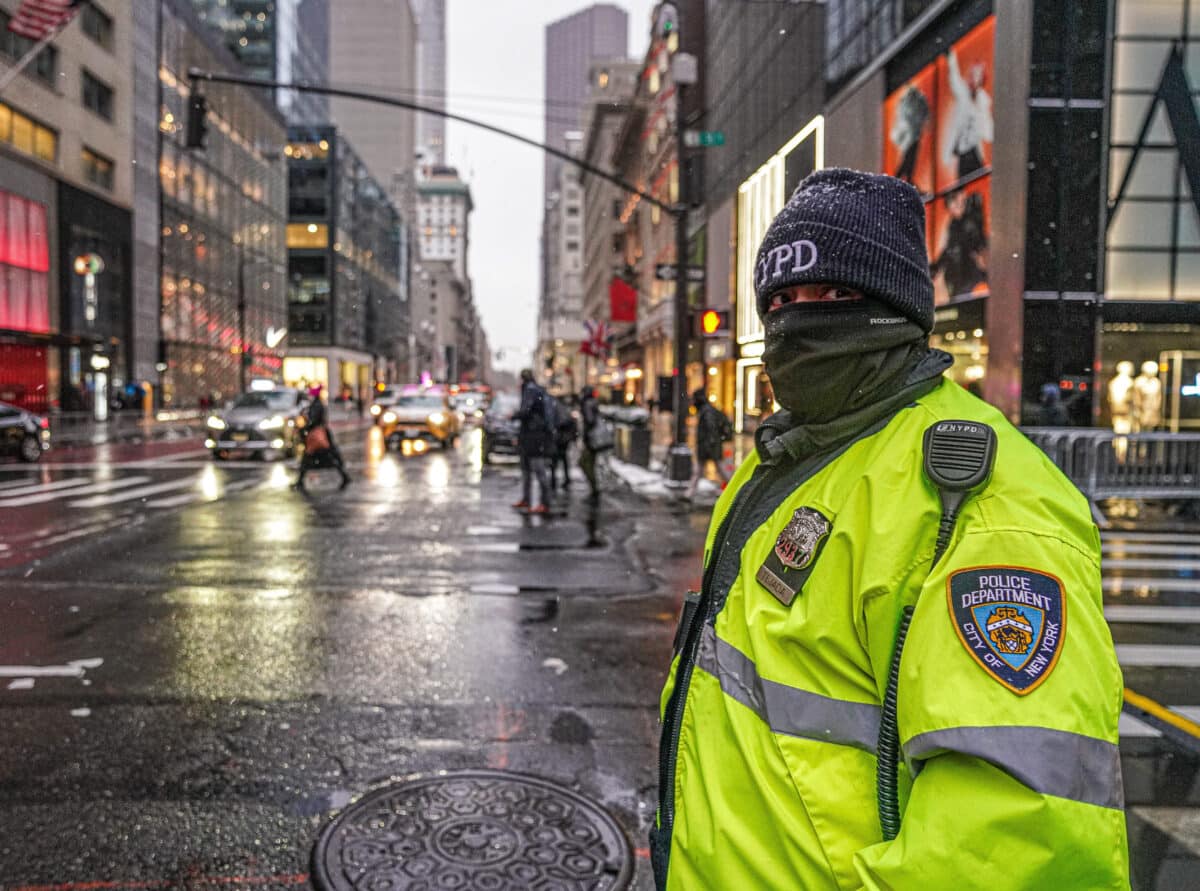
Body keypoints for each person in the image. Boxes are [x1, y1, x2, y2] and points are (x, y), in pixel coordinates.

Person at [651, 168, 1127, 890]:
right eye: (781, 299)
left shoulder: (978, 498)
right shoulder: (776, 467)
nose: (800, 317)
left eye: (834, 294)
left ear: (895, 303)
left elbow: (1019, 838)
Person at [513, 369, 554, 515]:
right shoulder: (535, 390)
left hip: (534, 438)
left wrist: (513, 415)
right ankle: (528, 500)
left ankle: (544, 503)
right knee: (529, 471)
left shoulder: (531, 390)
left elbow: (525, 411)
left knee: (536, 470)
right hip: (532, 437)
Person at [295, 384, 351, 491]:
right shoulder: (317, 404)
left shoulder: (316, 405)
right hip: (320, 434)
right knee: (326, 457)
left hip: (317, 435)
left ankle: (300, 481)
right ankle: (300, 481)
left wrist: (305, 427)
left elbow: (313, 420)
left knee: (311, 457)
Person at [684, 388, 732, 502]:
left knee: (717, 468)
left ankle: (733, 489)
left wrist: (709, 444)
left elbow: (711, 430)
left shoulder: (706, 412)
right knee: (705, 469)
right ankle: (690, 493)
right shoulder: (707, 410)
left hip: (709, 446)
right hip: (710, 446)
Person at [578, 385, 602, 502]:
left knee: (584, 463)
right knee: (589, 464)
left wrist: (587, 436)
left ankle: (595, 490)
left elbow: (590, 421)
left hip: (591, 440)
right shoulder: (593, 403)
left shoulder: (587, 404)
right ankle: (594, 489)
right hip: (594, 439)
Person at [550, 396, 578, 492]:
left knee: (555, 459)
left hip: (559, 438)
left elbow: (559, 422)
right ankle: (565, 479)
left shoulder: (556, 407)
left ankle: (555, 480)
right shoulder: (566, 408)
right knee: (563, 458)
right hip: (563, 438)